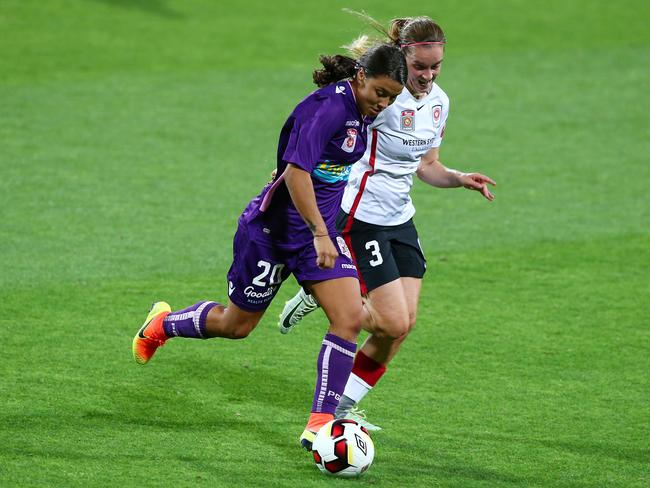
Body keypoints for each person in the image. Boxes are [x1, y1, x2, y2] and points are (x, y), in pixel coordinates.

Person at [131, 43, 406, 450]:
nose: (382, 104)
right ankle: (162, 324)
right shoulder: (328, 109)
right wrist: (318, 231)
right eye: (379, 93)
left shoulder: (362, 113)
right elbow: (297, 174)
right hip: (272, 235)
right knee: (236, 326)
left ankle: (320, 423)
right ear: (361, 77)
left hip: (316, 238)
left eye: (391, 98)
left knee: (348, 317)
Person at [278, 14, 496, 430]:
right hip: (359, 216)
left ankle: (342, 405)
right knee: (391, 320)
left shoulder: (439, 103)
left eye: (436, 67)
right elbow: (326, 136)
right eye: (420, 67)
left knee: (402, 326)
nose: (428, 75)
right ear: (402, 59)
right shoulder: (380, 98)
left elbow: (426, 165)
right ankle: (323, 290)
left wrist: (457, 179)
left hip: (400, 219)